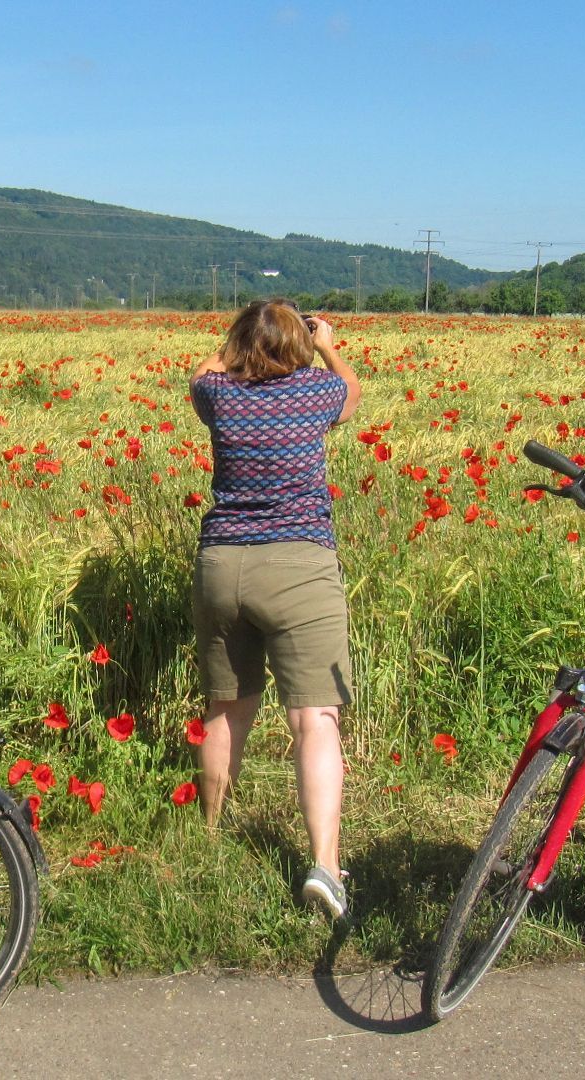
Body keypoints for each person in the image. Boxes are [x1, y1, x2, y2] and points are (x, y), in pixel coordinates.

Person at [189, 298, 361, 921]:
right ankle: (325, 867)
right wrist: (327, 343)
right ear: (299, 346)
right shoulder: (316, 392)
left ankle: (208, 839)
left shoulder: (220, 397)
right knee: (315, 717)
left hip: (222, 565)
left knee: (227, 708)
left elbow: (200, 373)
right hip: (298, 566)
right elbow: (352, 394)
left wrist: (237, 345)